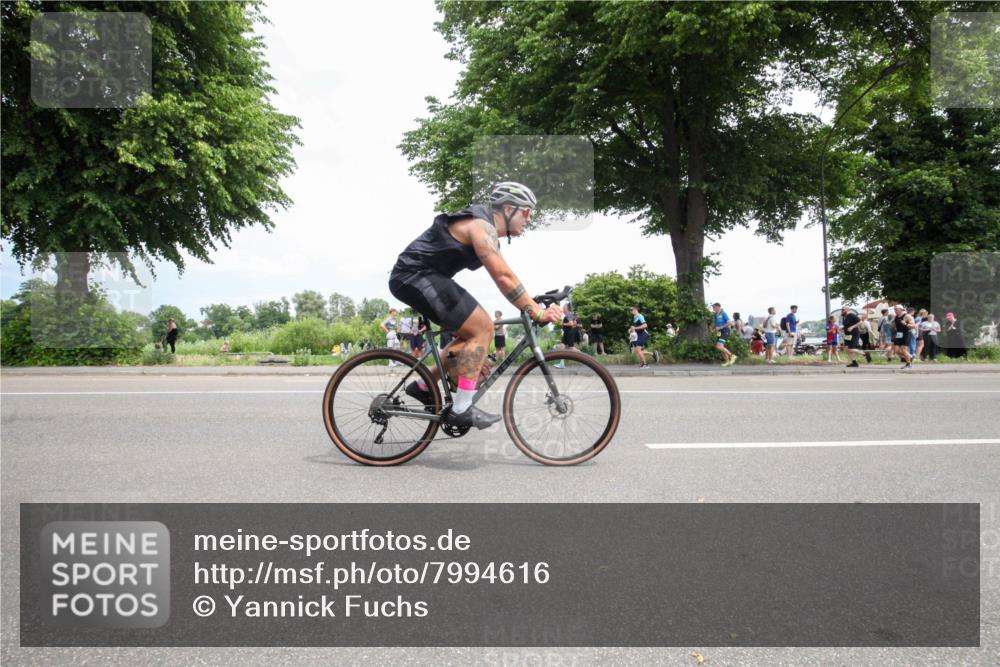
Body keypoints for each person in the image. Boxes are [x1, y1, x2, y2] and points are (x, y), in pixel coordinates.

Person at [388, 181, 562, 429]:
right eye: (526, 211)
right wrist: (534, 309)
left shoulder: (485, 229)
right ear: (510, 208)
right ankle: (462, 409)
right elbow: (503, 277)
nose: (530, 218)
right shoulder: (480, 226)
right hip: (414, 275)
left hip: (421, 276)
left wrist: (533, 302)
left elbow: (506, 277)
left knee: (471, 336)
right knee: (483, 328)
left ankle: (424, 386)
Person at [710, 302, 737, 367]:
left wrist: (721, 327)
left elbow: (729, 323)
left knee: (718, 346)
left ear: (718, 307)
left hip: (725, 331)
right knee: (721, 348)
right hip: (719, 332)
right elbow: (715, 324)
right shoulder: (715, 315)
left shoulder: (723, 313)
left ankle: (732, 356)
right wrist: (712, 328)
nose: (713, 309)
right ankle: (728, 362)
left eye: (714, 307)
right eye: (713, 307)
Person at [892, 304, 915, 369]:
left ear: (901, 309)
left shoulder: (907, 316)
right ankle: (910, 356)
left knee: (903, 350)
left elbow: (914, 326)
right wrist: (894, 326)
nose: (895, 310)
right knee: (896, 350)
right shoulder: (896, 316)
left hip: (906, 333)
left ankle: (909, 364)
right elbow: (895, 325)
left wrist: (905, 324)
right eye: (894, 309)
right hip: (899, 334)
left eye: (896, 309)